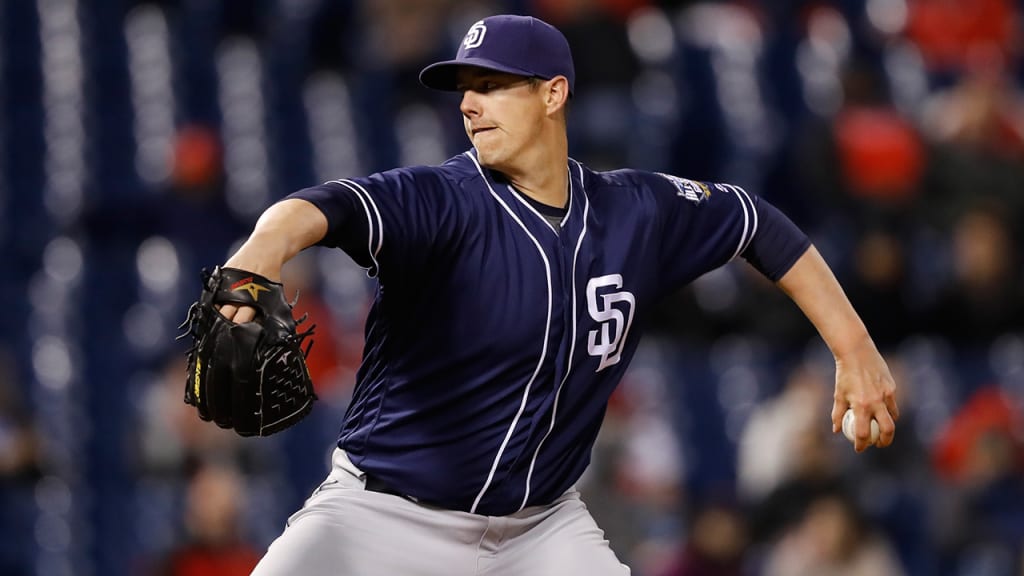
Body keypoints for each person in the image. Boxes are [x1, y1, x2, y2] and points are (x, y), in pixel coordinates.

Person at [214, 14, 900, 575]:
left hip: (540, 531)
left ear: (552, 93)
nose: (469, 104)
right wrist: (254, 263)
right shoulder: (440, 201)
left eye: (492, 84)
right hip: (382, 516)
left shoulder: (635, 213)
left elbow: (757, 223)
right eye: (464, 89)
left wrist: (854, 346)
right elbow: (315, 209)